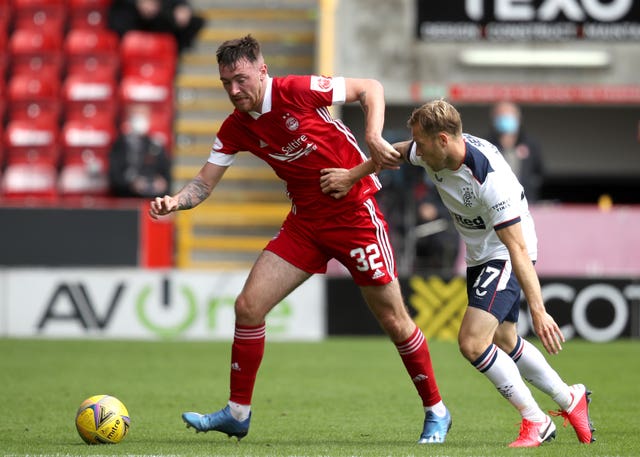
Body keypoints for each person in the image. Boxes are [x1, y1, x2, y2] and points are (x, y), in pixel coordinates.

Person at [149, 35, 451, 444]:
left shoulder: (297, 90)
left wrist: (374, 136)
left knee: (395, 321)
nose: (234, 90)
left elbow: (370, 88)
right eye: (226, 84)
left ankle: (436, 410)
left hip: (355, 215)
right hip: (305, 224)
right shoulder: (235, 128)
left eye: (240, 79)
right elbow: (203, 184)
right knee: (249, 306)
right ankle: (238, 413)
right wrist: (176, 202)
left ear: (262, 71)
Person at [320, 99, 595, 448]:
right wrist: (351, 175)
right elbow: (393, 154)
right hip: (480, 255)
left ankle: (535, 420)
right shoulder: (430, 150)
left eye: (421, 141)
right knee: (506, 340)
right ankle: (571, 398)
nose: (415, 149)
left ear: (444, 140)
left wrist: (538, 309)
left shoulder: (489, 178)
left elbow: (519, 250)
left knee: (472, 342)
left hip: (505, 252)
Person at [109, 104, 172, 198]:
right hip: (126, 199)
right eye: (136, 116)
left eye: (142, 116)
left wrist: (161, 183)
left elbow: (166, 176)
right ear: (128, 119)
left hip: (152, 200)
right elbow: (114, 177)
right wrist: (131, 184)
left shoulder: (156, 146)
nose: (139, 120)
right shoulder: (119, 146)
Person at [487, 101, 544, 203]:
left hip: (526, 201)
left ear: (518, 119)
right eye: (501, 116)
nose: (505, 120)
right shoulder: (486, 144)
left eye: (509, 116)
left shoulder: (531, 145)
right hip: (495, 203)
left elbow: (538, 173)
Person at [108, 0, 204, 52]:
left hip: (160, 19)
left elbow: (180, 5)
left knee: (192, 20)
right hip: (129, 20)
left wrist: (182, 7)